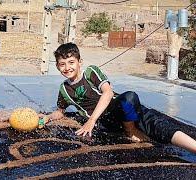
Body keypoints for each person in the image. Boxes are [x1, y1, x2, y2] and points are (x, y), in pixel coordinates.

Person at [40, 42, 196, 153]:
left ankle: (131, 129)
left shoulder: (90, 72)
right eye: (62, 64)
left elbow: (107, 92)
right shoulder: (65, 89)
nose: (67, 68)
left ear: (80, 62)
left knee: (148, 117)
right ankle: (130, 131)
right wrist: (47, 118)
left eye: (71, 62)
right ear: (57, 66)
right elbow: (60, 111)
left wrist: (90, 120)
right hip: (106, 121)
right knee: (133, 107)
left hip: (122, 110)